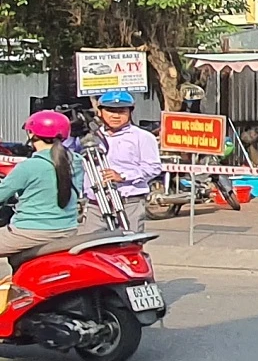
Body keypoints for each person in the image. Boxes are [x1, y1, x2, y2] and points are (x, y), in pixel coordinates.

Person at [0, 111, 83, 257]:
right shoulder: (77, 161)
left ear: (32, 134)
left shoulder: (30, 166)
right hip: (67, 229)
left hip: (29, 233)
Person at [79, 91, 161, 234]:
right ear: (100, 111)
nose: (116, 116)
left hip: (129, 204)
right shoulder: (90, 137)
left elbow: (153, 168)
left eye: (121, 111)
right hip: (96, 205)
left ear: (130, 111)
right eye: (110, 110)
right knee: (91, 249)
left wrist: (122, 176)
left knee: (129, 247)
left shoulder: (143, 137)